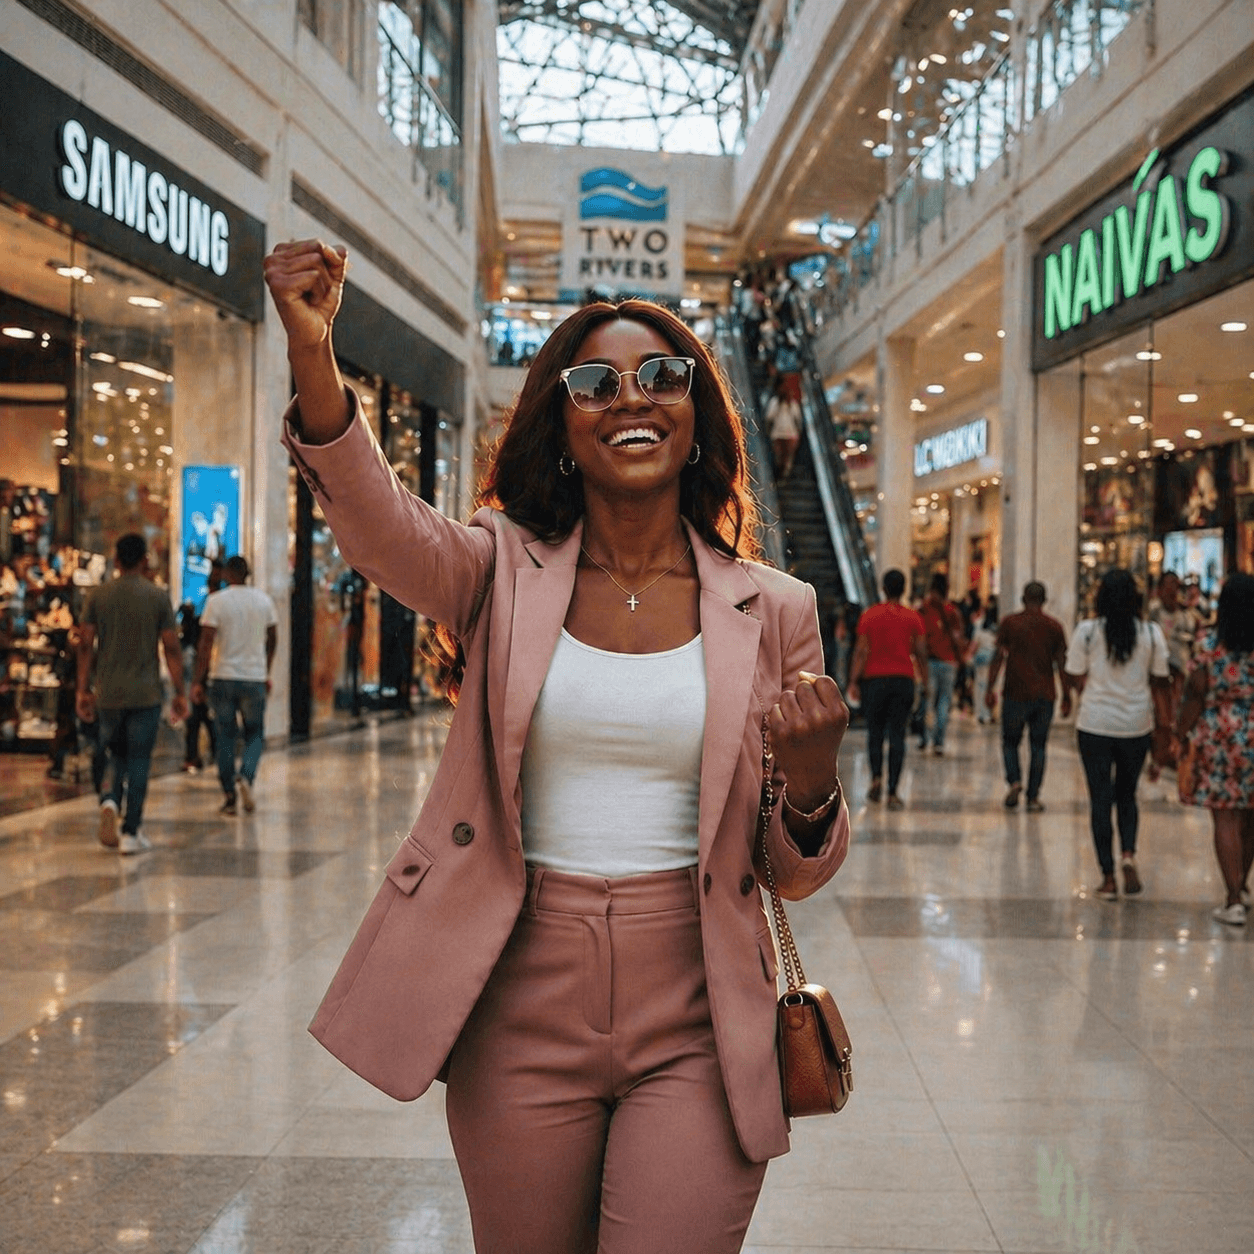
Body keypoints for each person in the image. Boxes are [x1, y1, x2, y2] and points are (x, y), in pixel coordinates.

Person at [264, 238, 851, 1254]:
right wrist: (317, 358)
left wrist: (810, 789)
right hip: (518, 998)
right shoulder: (497, 571)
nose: (633, 397)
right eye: (596, 382)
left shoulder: (777, 609)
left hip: (703, 1009)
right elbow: (376, 527)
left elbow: (788, 872)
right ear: (564, 425)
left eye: (663, 376)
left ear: (698, 418)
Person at [75, 533, 189, 853]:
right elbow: (171, 647)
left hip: (108, 693)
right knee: (139, 760)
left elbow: (85, 644)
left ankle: (110, 799)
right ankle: (131, 831)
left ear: (116, 559)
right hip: (145, 694)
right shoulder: (157, 597)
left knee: (113, 753)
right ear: (144, 560)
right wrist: (180, 692)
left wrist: (83, 689)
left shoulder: (98, 596)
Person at [1063, 569, 1172, 901]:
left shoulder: (1087, 632)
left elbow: (1073, 674)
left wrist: (1093, 689)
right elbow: (1160, 683)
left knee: (1100, 799)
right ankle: (1128, 855)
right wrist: (1165, 731)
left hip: (1095, 725)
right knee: (1127, 795)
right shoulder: (1152, 634)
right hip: (1135, 725)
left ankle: (1108, 877)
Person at [1174, 572, 1254, 926]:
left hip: (1221, 735)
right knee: (1251, 818)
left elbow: (1195, 692)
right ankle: (1243, 883)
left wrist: (1180, 734)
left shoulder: (1209, 643)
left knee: (1226, 816)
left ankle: (1233, 896)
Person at [191, 555, 277, 816]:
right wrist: (265, 669)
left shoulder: (216, 602)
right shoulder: (264, 601)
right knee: (254, 733)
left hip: (223, 677)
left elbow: (206, 644)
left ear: (228, 574)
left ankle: (229, 795)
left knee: (225, 737)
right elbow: (273, 637)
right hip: (254, 678)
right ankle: (246, 777)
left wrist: (198, 680)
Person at [846, 568, 926, 810]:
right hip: (903, 680)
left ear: (882, 588)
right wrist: (927, 680)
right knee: (898, 735)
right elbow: (921, 652)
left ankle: (876, 778)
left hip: (874, 680)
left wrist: (853, 680)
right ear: (904, 589)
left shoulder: (869, 616)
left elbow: (861, 650)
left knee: (875, 733)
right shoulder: (913, 618)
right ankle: (892, 792)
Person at [986, 582, 1069, 811]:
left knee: (1010, 742)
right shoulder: (1054, 627)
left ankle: (1014, 781)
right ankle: (1033, 797)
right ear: (1045, 600)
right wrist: (1067, 696)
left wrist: (989, 688)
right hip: (1045, 695)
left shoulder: (1010, 624)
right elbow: (1062, 664)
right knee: (1038, 746)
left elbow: (998, 657)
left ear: (1023, 598)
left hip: (1015, 692)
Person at [1146, 570, 1199, 782]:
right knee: (1161, 718)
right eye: (1167, 585)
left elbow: (1193, 641)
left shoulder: (1187, 616)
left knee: (1176, 715)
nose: (1171, 590)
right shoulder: (1154, 613)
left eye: (1174, 585)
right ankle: (1158, 759)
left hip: (1180, 673)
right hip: (1158, 674)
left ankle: (1174, 756)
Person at [917, 572, 965, 755]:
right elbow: (957, 639)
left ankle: (924, 737)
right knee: (944, 702)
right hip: (948, 662)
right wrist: (960, 660)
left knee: (927, 701)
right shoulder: (952, 611)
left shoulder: (924, 610)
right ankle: (939, 742)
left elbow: (919, 639)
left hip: (929, 661)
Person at [968, 595, 999, 724]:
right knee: (992, 687)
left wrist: (968, 655)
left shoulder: (980, 627)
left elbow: (974, 644)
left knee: (980, 688)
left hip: (980, 661)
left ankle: (981, 713)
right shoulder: (997, 630)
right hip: (993, 662)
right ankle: (990, 713)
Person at [764, 378, 801, 481]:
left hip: (790, 434)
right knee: (779, 456)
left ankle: (785, 474)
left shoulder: (792, 404)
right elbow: (769, 418)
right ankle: (779, 474)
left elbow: (797, 419)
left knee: (787, 457)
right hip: (778, 434)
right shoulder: (775, 402)